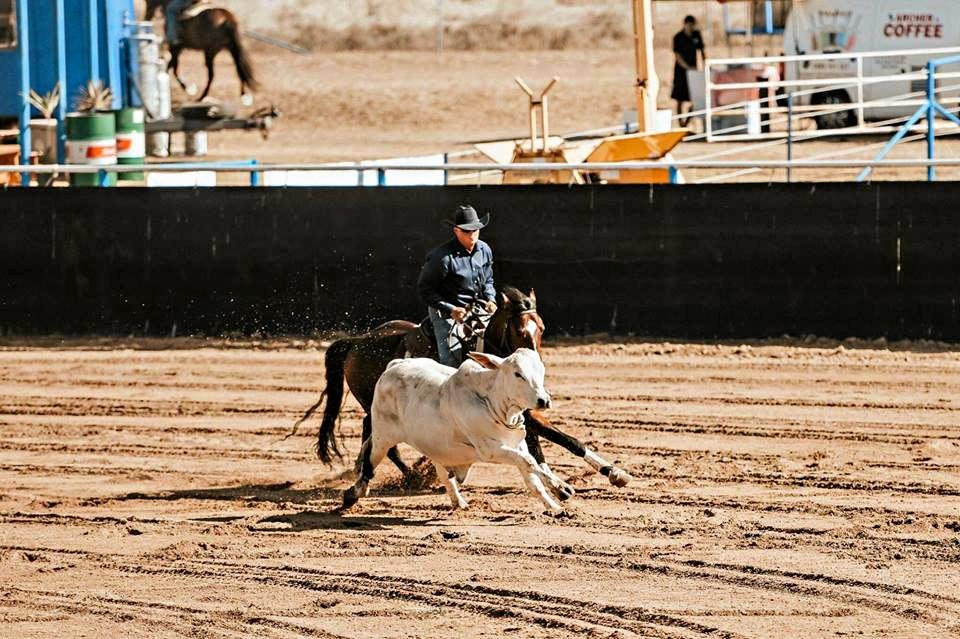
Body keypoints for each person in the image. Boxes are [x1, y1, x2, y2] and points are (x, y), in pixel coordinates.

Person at [417, 204, 497, 367]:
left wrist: (490, 299)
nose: (472, 234)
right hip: (444, 314)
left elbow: (488, 279)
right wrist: (451, 309)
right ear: (456, 231)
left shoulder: (485, 250)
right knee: (451, 361)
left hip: (475, 308)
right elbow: (425, 289)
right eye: (467, 231)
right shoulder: (442, 258)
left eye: (475, 229)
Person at [672, 15, 706, 127]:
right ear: (685, 24)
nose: (691, 27)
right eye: (689, 25)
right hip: (680, 72)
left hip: (694, 71)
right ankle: (680, 124)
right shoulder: (678, 37)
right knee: (679, 99)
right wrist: (687, 67)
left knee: (695, 99)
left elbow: (702, 51)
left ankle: (687, 123)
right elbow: (677, 55)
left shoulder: (696, 35)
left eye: (693, 25)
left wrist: (705, 65)